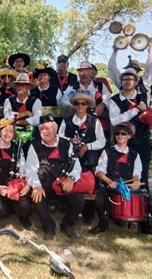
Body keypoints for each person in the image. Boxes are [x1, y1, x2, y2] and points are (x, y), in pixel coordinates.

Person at [89, 122, 152, 238]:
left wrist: (136, 181)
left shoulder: (135, 155)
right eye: (117, 133)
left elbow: (137, 174)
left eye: (123, 134)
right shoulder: (107, 152)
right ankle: (102, 225)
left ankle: (147, 228)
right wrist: (109, 181)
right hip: (111, 187)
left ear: (129, 136)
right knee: (99, 200)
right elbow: (99, 171)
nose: (120, 136)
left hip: (128, 189)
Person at [24, 115, 85, 240]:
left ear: (55, 129)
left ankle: (67, 225)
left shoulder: (67, 144)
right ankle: (48, 226)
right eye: (41, 129)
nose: (44, 132)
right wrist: (36, 186)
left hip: (63, 184)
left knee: (79, 199)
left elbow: (77, 166)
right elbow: (30, 168)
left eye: (47, 128)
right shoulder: (34, 145)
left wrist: (71, 179)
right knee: (37, 198)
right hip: (45, 185)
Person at [58, 92, 105, 224]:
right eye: (77, 103)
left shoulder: (95, 121)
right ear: (74, 105)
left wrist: (88, 146)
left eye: (83, 103)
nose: (80, 106)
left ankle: (88, 213)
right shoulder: (67, 120)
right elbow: (59, 137)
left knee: (91, 183)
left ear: (88, 105)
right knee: (70, 178)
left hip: (89, 157)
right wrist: (69, 140)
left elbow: (102, 141)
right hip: (70, 156)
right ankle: (70, 206)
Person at [108, 68, 152, 191]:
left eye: (131, 79)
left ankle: (144, 204)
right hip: (123, 142)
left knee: (143, 174)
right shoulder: (114, 100)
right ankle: (124, 203)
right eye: (124, 79)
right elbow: (115, 121)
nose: (127, 81)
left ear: (136, 82)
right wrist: (135, 110)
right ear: (121, 82)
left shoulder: (144, 97)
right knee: (123, 173)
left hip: (143, 141)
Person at [0, 118, 31, 228]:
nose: (8, 134)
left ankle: (24, 219)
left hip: (13, 185)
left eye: (11, 131)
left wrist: (27, 185)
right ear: (0, 131)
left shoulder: (17, 148)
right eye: (5, 130)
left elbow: (24, 168)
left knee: (24, 205)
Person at [108, 38, 152, 103]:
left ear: (138, 71)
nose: (132, 70)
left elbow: (151, 66)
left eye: (134, 68)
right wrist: (115, 51)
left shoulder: (145, 82)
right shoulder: (122, 82)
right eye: (130, 67)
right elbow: (112, 68)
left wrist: (151, 48)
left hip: (143, 112)